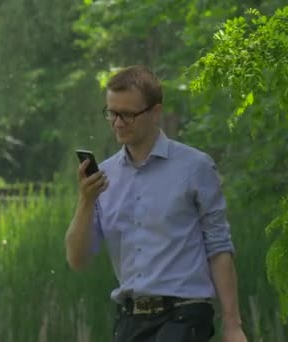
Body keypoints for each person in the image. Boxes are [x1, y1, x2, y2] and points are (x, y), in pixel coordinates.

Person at [64, 65, 247, 342]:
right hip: (128, 319)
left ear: (155, 112)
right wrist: (85, 201)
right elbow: (77, 260)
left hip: (184, 315)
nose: (118, 123)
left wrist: (233, 325)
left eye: (127, 114)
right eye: (112, 113)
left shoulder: (195, 167)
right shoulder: (105, 178)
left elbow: (219, 247)